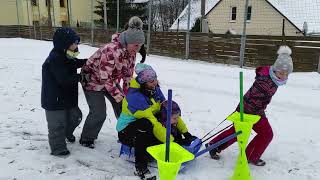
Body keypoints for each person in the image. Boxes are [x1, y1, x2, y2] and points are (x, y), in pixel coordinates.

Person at [206, 46, 294, 166]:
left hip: (252, 109)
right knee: (266, 134)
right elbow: (254, 98)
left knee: (239, 131)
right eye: (281, 73)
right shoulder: (266, 82)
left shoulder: (272, 77)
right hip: (250, 110)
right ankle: (251, 156)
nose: (283, 76)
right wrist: (255, 113)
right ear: (275, 70)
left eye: (286, 74)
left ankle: (214, 145)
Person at [116, 66, 195, 179]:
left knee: (161, 116)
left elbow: (168, 111)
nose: (155, 83)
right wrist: (171, 141)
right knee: (146, 124)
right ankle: (141, 167)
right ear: (144, 83)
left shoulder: (154, 89)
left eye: (156, 79)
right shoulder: (135, 97)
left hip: (148, 124)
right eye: (152, 81)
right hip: (127, 131)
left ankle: (158, 147)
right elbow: (153, 123)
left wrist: (185, 133)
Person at [79, 16, 145, 149]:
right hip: (92, 81)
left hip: (109, 80)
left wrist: (128, 96)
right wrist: (120, 97)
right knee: (99, 112)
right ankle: (87, 138)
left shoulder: (131, 52)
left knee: (124, 107)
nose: (138, 49)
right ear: (128, 41)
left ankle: (127, 135)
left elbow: (127, 75)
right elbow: (105, 78)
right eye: (136, 45)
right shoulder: (111, 50)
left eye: (140, 46)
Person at [41, 27, 88, 156]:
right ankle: (58, 148)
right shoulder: (55, 58)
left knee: (76, 117)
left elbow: (73, 63)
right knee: (57, 125)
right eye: (73, 43)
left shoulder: (67, 54)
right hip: (54, 99)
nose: (76, 45)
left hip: (67, 97)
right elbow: (63, 79)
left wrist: (86, 62)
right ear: (64, 44)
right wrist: (81, 77)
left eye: (77, 42)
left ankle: (67, 133)